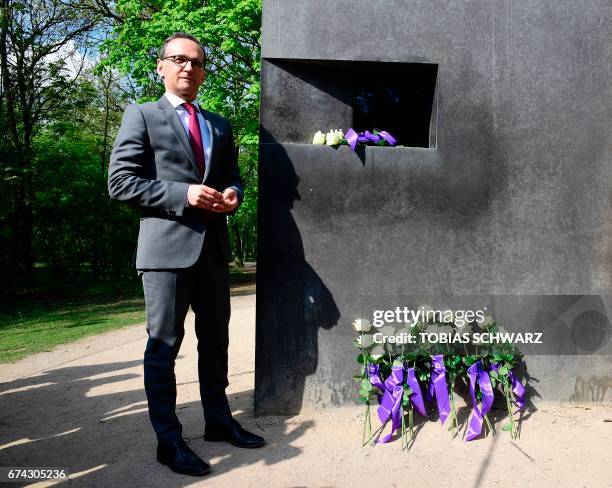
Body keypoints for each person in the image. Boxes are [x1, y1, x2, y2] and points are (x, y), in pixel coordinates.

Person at [108, 32, 264, 477]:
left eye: (196, 62)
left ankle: (218, 422)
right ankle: (169, 441)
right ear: (161, 66)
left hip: (213, 251)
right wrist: (185, 193)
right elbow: (120, 184)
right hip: (165, 252)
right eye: (178, 59)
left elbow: (232, 174)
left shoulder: (218, 123)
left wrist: (233, 191)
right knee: (164, 347)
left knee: (215, 342)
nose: (187, 68)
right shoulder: (141, 115)